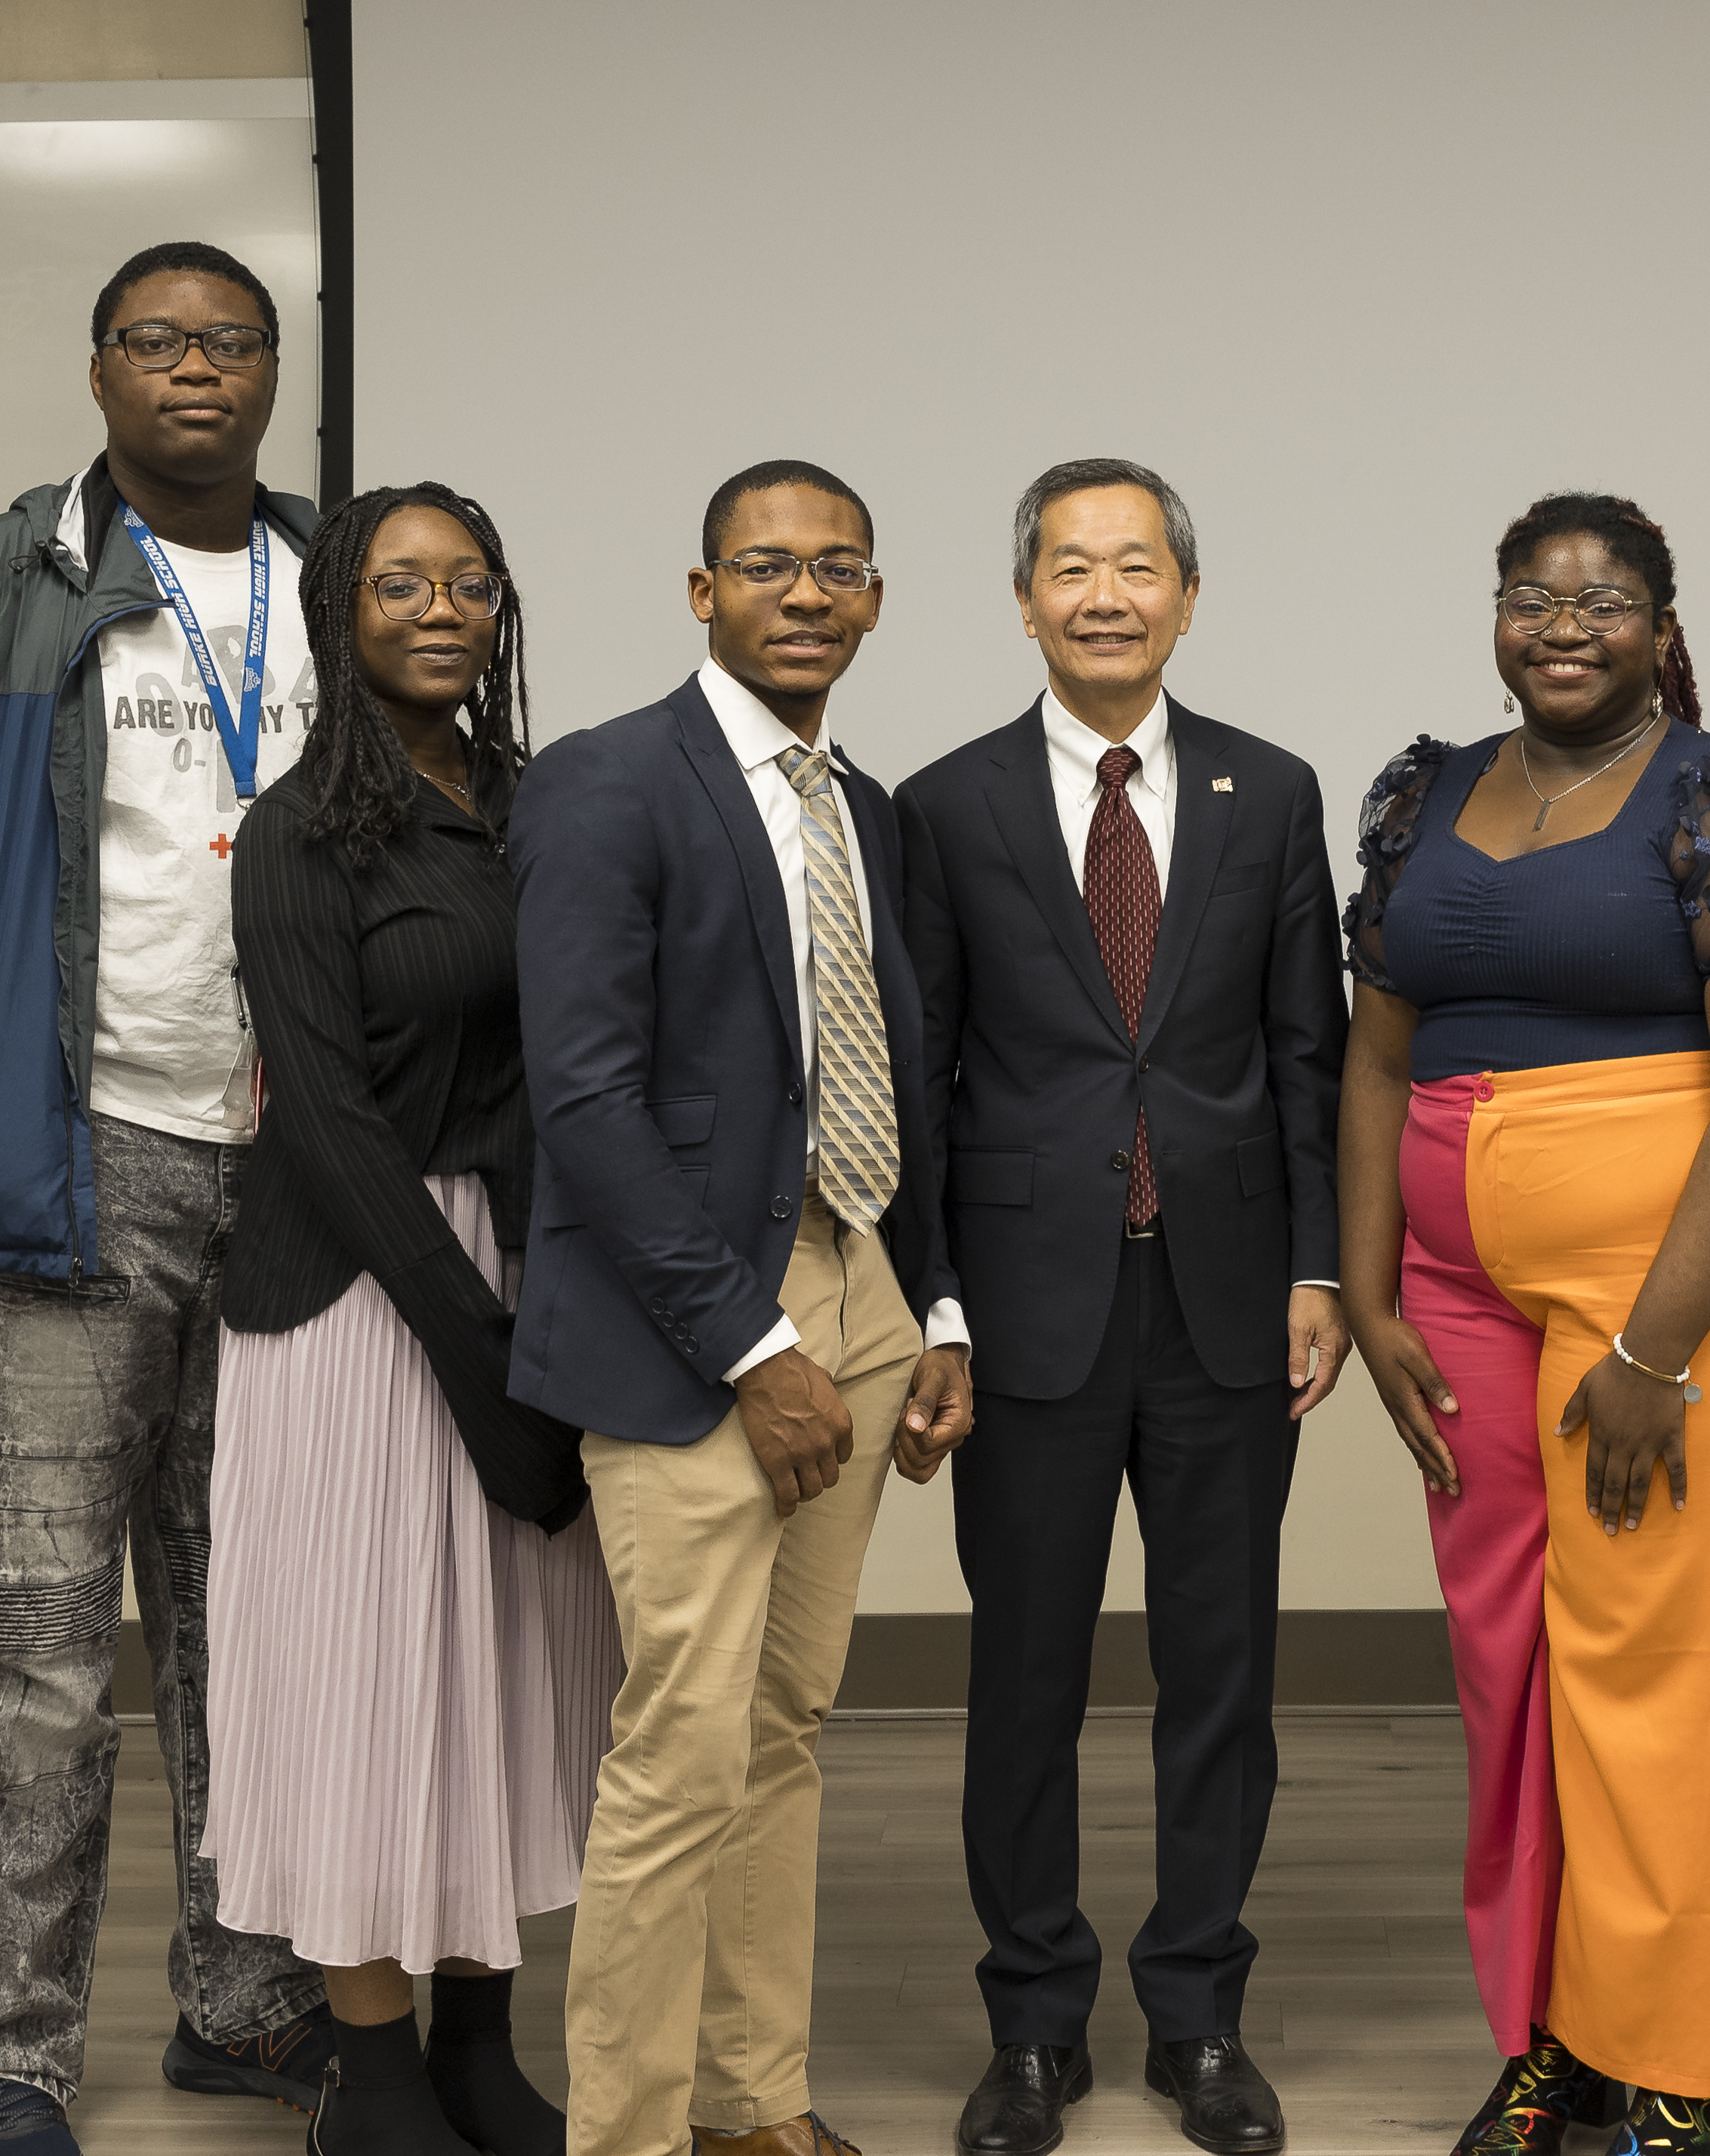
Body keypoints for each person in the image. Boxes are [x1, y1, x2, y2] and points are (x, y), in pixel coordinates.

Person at [0, 242, 333, 2148]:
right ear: (97, 367)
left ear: (278, 371)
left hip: (292, 1182)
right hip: (53, 1173)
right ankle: (0, 2050)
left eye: (232, 341)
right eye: (154, 340)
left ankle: (246, 1996)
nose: (195, 369)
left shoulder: (344, 584)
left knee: (250, 1623)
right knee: (22, 1646)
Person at [1338, 493, 1710, 2156]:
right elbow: (1370, 1052)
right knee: (1513, 1664)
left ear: (1659, 620)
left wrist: (1653, 1351)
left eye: (1603, 600)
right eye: (1530, 596)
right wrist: (1363, 1284)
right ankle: (1554, 2032)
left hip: (1678, 1288)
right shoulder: (1424, 792)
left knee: (1669, 1666)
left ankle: (1678, 2063)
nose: (1562, 625)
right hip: (1460, 1295)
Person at [515, 459, 976, 2156]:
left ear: (871, 599)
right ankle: (624, 2134)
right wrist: (756, 1346)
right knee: (682, 1748)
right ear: (699, 592)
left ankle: (748, 2102)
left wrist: (932, 1308)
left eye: (836, 567)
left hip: (858, 1285)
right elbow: (584, 1099)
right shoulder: (605, 783)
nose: (804, 592)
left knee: (785, 1728)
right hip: (695, 1321)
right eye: (765, 566)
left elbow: (894, 1072)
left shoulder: (869, 809)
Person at [895, 459, 1351, 2156]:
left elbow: (1306, 1048)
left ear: (1184, 592)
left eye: (1136, 564)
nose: (1104, 592)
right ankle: (1028, 2025)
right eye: (1070, 566)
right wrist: (933, 1297)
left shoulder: (1266, 786)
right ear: (1022, 598)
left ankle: (1197, 2016)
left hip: (1228, 1296)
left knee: (1218, 1676)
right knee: (1021, 1676)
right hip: (1021, 1304)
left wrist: (1316, 1262)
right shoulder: (943, 804)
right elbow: (923, 1072)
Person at [204, 483, 624, 2151]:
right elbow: (325, 1123)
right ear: (337, 614)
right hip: (362, 1300)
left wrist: (555, 1332)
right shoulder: (300, 832)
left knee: (506, 1669)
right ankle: (366, 2070)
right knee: (367, 1672)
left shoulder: (544, 805)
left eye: (469, 582)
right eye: (398, 584)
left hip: (538, 1272)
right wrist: (484, 1365)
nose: (440, 608)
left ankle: (476, 2043)